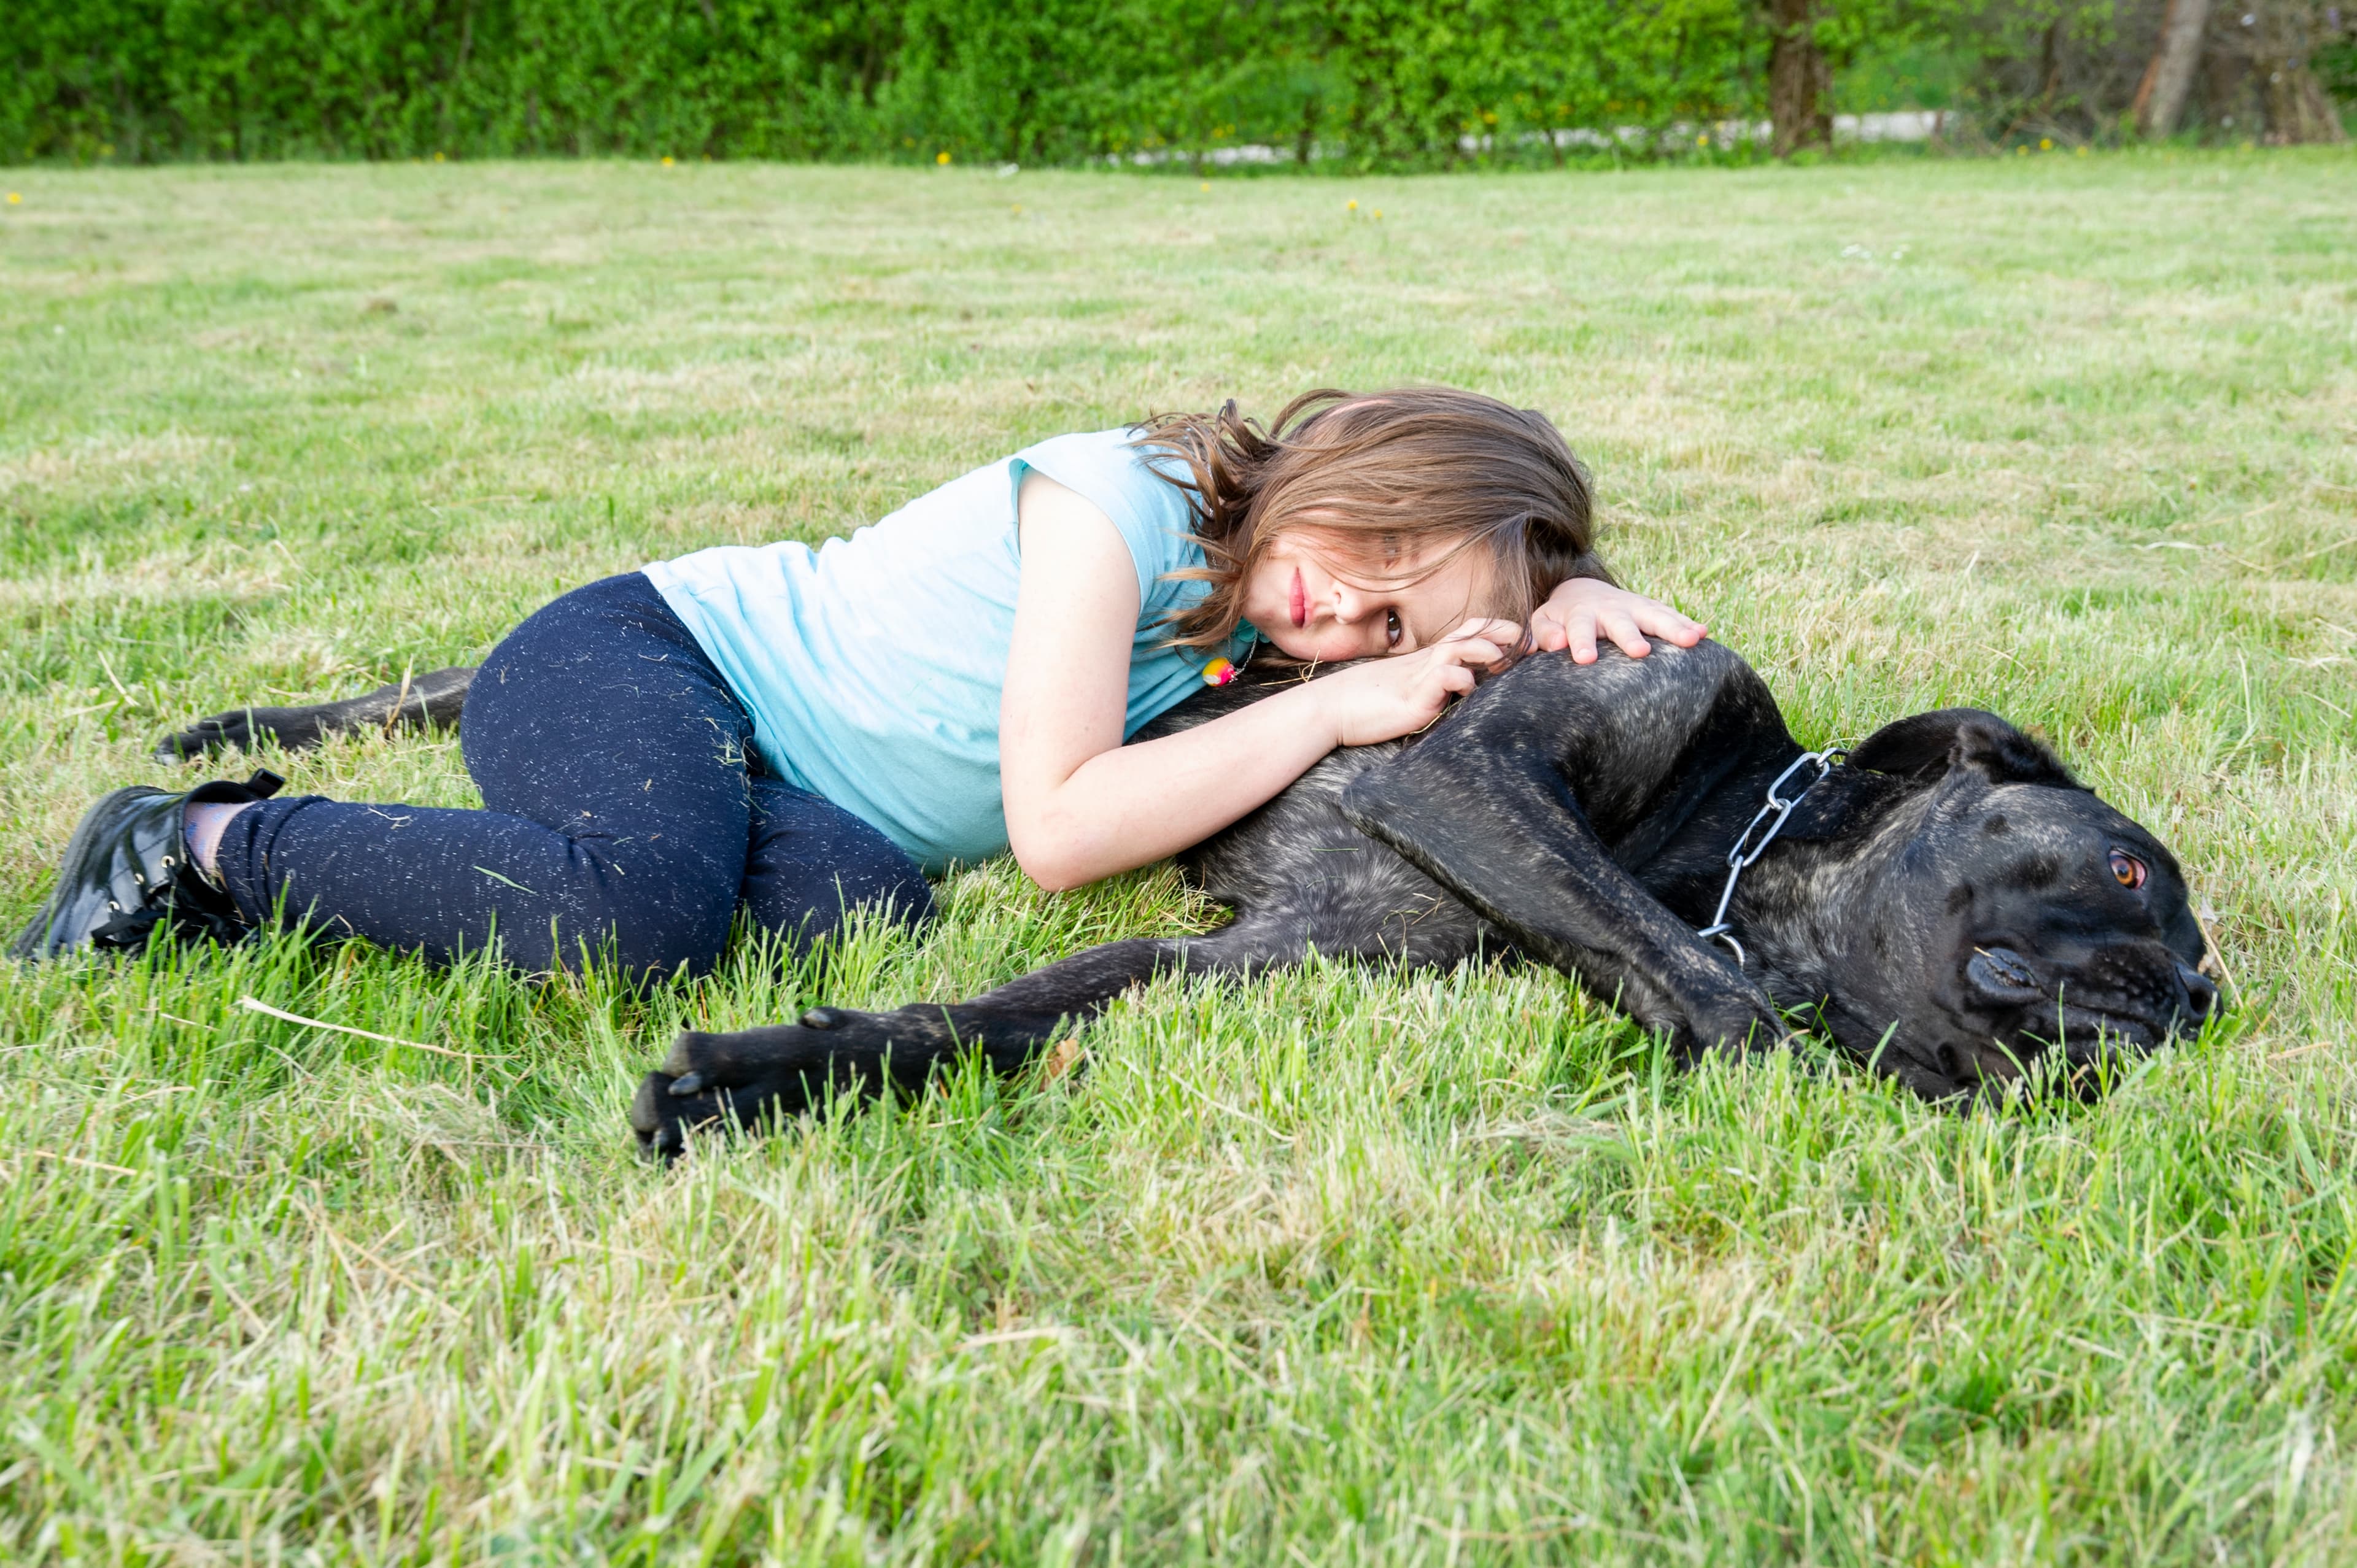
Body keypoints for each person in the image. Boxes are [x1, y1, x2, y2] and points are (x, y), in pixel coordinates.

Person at [12, 387, 1705, 977]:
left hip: (783, 784)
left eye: (1385, 636)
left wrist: (1570, 603)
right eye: (1373, 552)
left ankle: (495, 855)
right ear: (1347, 452)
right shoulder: (1117, 505)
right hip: (639, 656)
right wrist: (1334, 709)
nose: (1338, 619)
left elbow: (1473, 588)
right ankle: (203, 845)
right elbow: (1056, 832)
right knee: (635, 920)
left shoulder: (1255, 639)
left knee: (866, 922)